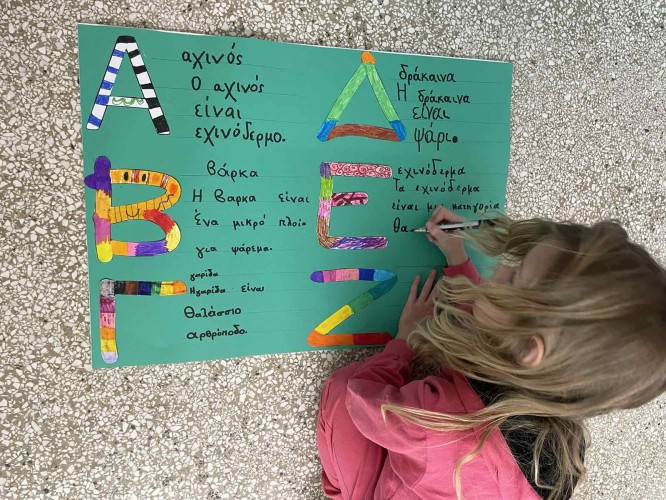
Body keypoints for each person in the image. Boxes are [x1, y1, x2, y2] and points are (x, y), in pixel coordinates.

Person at [316, 206, 666, 500]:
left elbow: (363, 401)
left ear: (531, 350)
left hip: (398, 475)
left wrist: (404, 342)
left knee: (343, 386)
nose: (500, 268)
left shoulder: (437, 422)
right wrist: (457, 257)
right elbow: (499, 328)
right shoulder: (556, 405)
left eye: (514, 278)